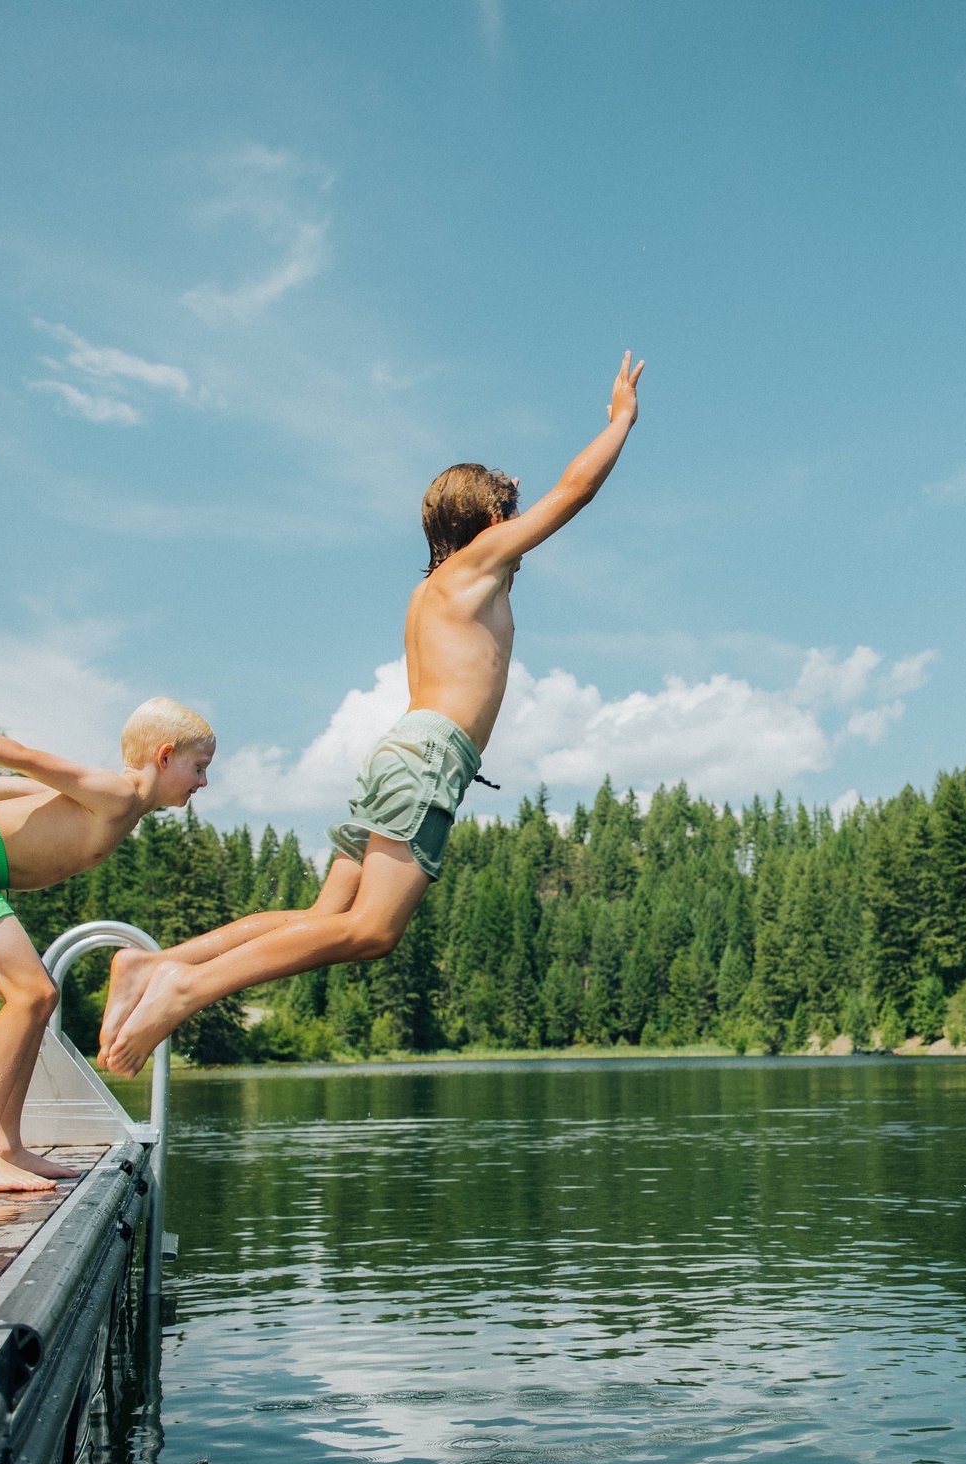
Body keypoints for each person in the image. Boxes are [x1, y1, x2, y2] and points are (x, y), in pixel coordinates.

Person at [97, 350, 645, 1075]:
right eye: (510, 508)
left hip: (403, 751)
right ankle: (183, 988)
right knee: (373, 931)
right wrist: (621, 421)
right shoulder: (478, 564)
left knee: (326, 921)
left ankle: (152, 966)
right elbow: (573, 491)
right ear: (488, 520)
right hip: (428, 758)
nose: (521, 518)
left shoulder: (434, 589)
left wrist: (500, 489)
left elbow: (522, 504)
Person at [0, 696, 215, 1189]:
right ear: (164, 756)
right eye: (198, 768)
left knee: (37, 994)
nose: (203, 782)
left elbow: (30, 786)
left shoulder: (117, 802)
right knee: (32, 994)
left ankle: (6, 1145)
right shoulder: (114, 793)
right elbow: (23, 756)